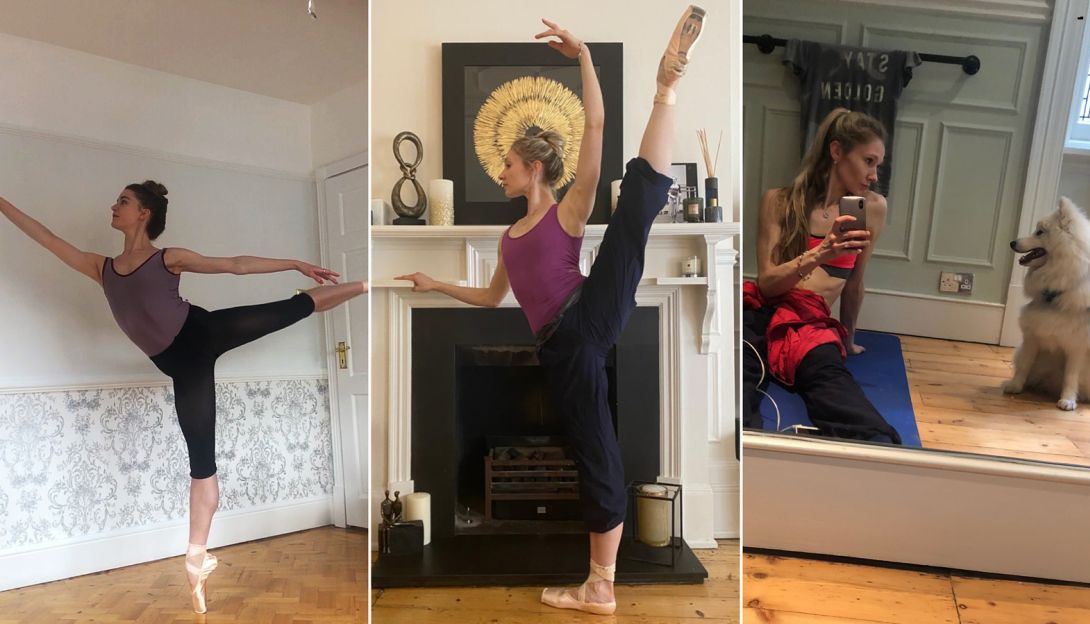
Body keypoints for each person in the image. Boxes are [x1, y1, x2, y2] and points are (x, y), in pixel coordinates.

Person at [396, 7, 705, 616]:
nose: (501, 171)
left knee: (636, 209)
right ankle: (600, 584)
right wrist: (434, 282)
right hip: (565, 347)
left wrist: (584, 53)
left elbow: (595, 124)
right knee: (595, 450)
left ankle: (666, 89)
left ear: (533, 168)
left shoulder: (567, 211)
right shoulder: (509, 239)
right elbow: (490, 299)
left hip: (587, 312)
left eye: (507, 164)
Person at [0, 181, 367, 613]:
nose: (114, 206)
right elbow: (45, 237)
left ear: (144, 214)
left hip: (201, 333)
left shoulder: (166, 258)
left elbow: (236, 265)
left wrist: (295, 263)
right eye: (117, 200)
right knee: (202, 464)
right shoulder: (100, 267)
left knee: (291, 309)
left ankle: (364, 285)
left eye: (123, 201)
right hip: (181, 365)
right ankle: (196, 560)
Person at [744, 107, 902, 444]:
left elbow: (855, 283)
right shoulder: (778, 202)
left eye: (878, 165)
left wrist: (848, 338)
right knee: (739, 372)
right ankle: (743, 455)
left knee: (832, 381)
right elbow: (768, 286)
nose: (874, 174)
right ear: (836, 152)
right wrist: (823, 252)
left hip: (810, 323)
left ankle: (874, 453)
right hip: (760, 311)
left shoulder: (872, 208)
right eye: (869, 161)